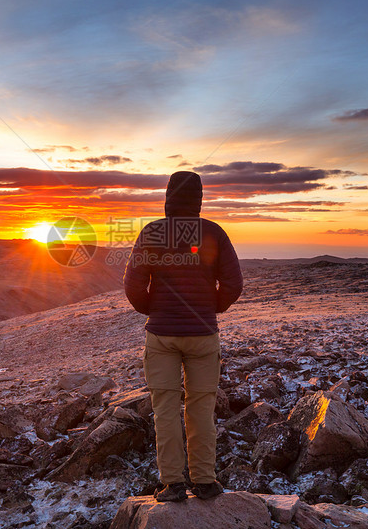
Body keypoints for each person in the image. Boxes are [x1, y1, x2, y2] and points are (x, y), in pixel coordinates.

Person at [124, 170, 243, 502]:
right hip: (203, 335)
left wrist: (153, 309)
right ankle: (205, 481)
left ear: (167, 198)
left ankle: (173, 484)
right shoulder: (214, 233)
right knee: (201, 409)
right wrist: (210, 307)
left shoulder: (152, 233)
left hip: (161, 335)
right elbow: (234, 284)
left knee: (164, 409)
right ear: (200, 198)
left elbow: (133, 284)